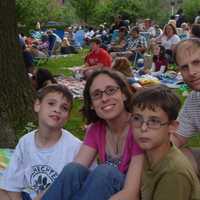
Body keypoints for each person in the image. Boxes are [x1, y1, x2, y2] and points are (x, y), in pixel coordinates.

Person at [42, 69, 144, 200]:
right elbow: (74, 172)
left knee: (105, 172)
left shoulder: (139, 128)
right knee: (73, 169)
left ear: (123, 94)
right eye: (96, 94)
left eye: (111, 90)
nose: (104, 98)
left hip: (128, 195)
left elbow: (131, 193)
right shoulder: (96, 130)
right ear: (91, 104)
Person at [0, 84, 82, 200]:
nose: (57, 109)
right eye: (51, 103)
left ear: (67, 117)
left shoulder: (75, 147)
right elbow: (12, 184)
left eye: (64, 108)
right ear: (37, 105)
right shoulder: (25, 142)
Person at [131, 85, 200, 200]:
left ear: (172, 126)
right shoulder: (147, 156)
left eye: (154, 121)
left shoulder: (173, 173)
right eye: (137, 118)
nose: (143, 128)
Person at [171, 38, 200, 177]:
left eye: (197, 63)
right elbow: (176, 137)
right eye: (184, 67)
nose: (192, 72)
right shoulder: (194, 99)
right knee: (177, 158)